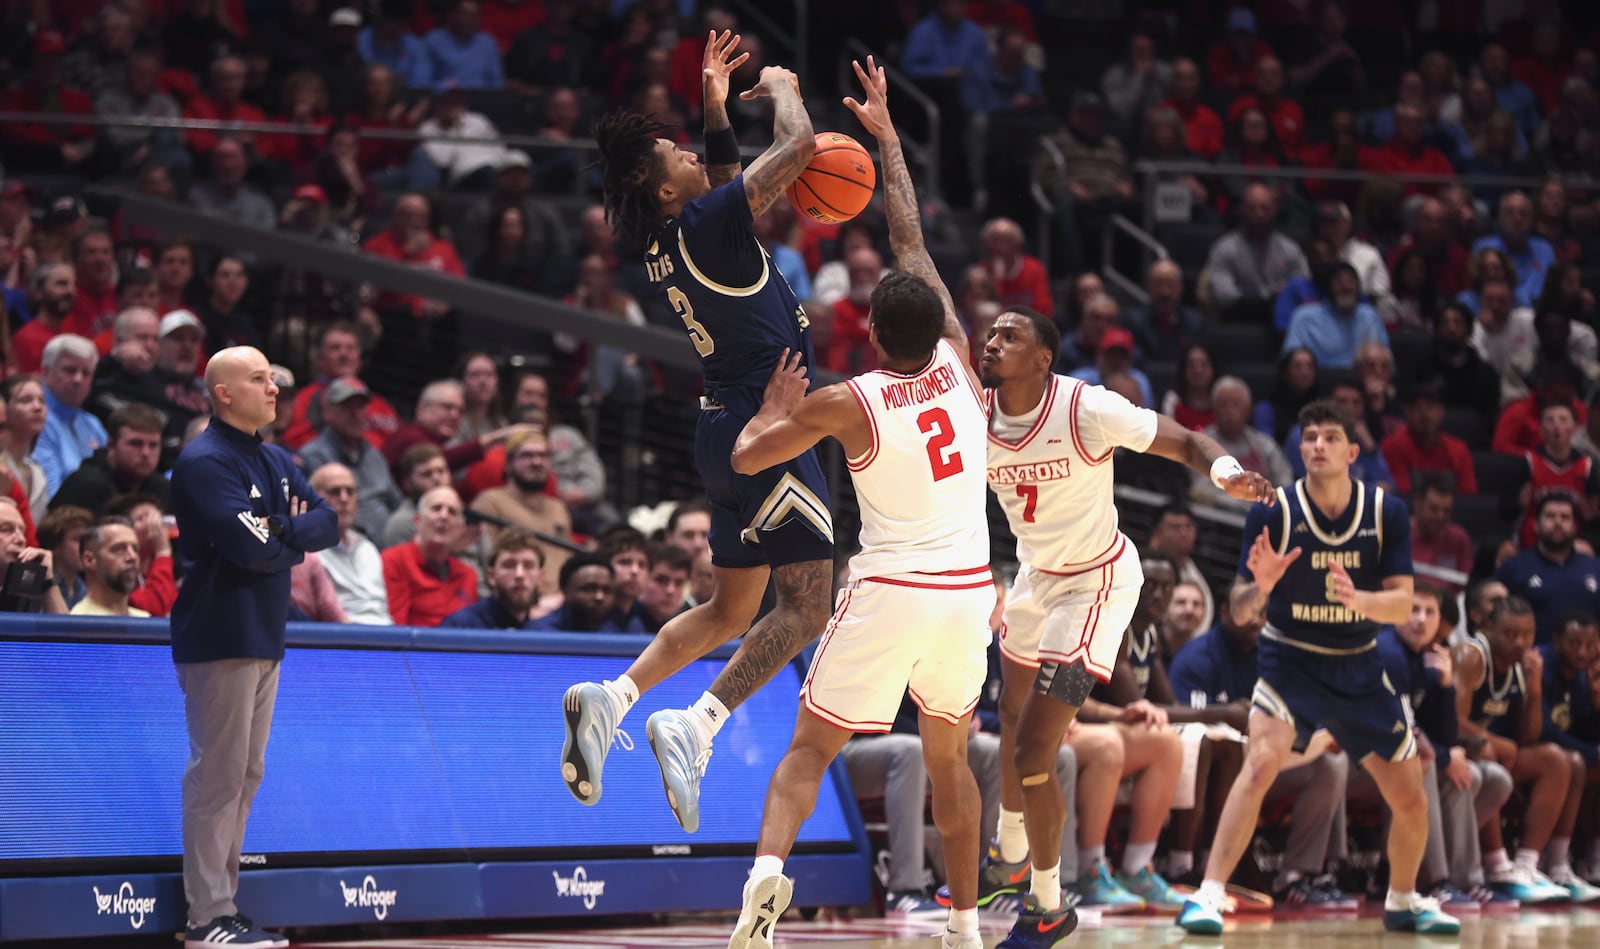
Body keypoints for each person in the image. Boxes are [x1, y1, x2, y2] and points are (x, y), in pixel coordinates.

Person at [720, 56, 992, 949]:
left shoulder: (851, 399)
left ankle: (764, 884)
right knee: (950, 756)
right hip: (967, 596)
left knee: (809, 745)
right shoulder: (959, 363)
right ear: (938, 324)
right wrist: (888, 141)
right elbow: (911, 245)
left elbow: (750, 455)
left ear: (871, 330)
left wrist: (767, 414)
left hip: (888, 593)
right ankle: (959, 924)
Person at [562, 33, 836, 835]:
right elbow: (801, 145)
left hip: (720, 425)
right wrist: (782, 84)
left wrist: (716, 106)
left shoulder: (662, 238)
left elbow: (723, 186)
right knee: (807, 606)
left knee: (727, 608)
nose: (687, 151)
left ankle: (612, 698)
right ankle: (700, 721)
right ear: (665, 188)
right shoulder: (709, 221)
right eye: (673, 151)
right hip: (770, 423)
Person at [975, 267, 1272, 943]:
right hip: (1034, 578)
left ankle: (1047, 902)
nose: (991, 341)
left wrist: (1226, 474)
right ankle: (1010, 854)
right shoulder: (976, 414)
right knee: (1009, 713)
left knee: (1033, 747)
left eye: (1009, 334)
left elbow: (1188, 441)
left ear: (1043, 358)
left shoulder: (1087, 407)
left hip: (1100, 586)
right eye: (990, 332)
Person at [1177, 399, 1459, 935]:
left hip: (1358, 665)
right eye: (1309, 438)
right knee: (1259, 764)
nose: (1317, 447)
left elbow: (1401, 604)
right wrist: (1260, 586)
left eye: (1330, 438)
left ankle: (1403, 899)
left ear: (1352, 451)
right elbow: (1238, 610)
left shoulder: (1385, 512)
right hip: (1290, 662)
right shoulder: (1272, 510)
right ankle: (1209, 894)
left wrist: (1360, 601)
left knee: (1410, 795)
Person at [169, 345, 337, 949]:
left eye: (273, 379)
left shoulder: (274, 456)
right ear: (223, 392)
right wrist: (288, 536)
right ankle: (205, 916)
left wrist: (278, 529)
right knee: (217, 775)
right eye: (260, 379)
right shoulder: (204, 461)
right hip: (219, 633)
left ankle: (225, 907)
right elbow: (249, 550)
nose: (273, 389)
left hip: (265, 632)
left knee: (246, 773)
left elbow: (329, 521)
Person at [439, 527, 547, 629]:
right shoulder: (460, 626)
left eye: (528, 566)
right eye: (509, 565)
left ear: (541, 577)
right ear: (491, 576)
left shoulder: (545, 632)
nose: (519, 574)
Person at [68, 517, 148, 617]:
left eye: (135, 549)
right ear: (90, 560)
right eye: (118, 549)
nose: (132, 557)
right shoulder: (80, 623)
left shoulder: (144, 619)